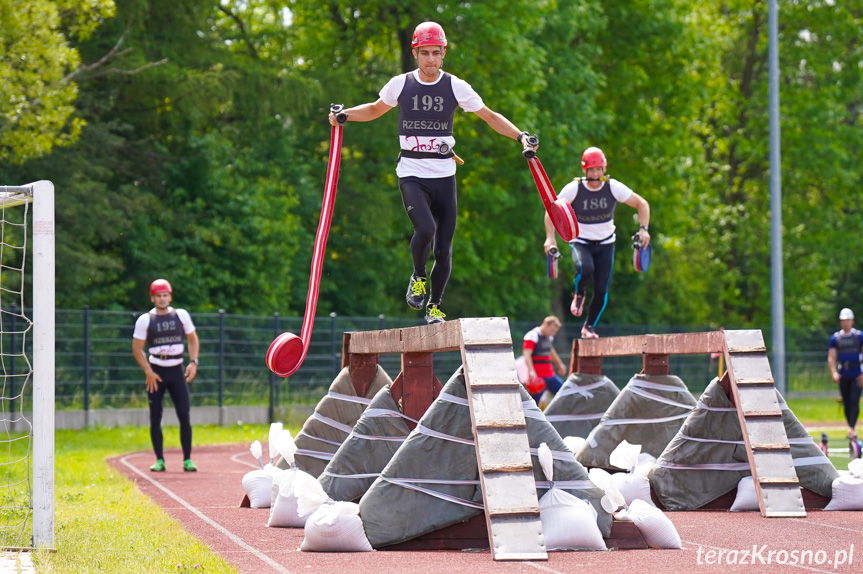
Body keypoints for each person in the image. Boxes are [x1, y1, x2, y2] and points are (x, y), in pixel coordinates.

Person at [328, 21, 536, 324]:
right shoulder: (401, 84)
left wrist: (520, 136)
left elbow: (489, 116)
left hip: (444, 175)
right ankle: (417, 276)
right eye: (424, 53)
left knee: (444, 248)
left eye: (436, 53)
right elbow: (374, 109)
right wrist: (344, 115)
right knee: (425, 229)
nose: (430, 59)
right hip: (412, 172)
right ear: (415, 53)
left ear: (444, 54)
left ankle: (435, 306)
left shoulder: (455, 86)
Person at [543, 146, 650, 339]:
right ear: (584, 170)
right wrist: (550, 238)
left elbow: (641, 204)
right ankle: (579, 293)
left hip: (606, 243)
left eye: (598, 169)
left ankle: (589, 327)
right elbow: (552, 210)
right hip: (580, 241)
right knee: (585, 268)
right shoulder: (574, 188)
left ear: (604, 169)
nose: (594, 174)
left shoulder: (613, 187)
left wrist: (644, 229)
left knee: (602, 288)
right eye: (591, 170)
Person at [132, 279, 200, 472]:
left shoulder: (181, 315)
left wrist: (194, 362)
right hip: (156, 372)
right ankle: (159, 460)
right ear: (152, 298)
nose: (162, 299)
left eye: (165, 295)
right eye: (158, 296)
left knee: (184, 414)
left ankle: (187, 459)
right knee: (155, 417)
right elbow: (137, 349)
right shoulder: (145, 320)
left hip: (177, 370)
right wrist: (148, 371)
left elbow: (193, 339)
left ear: (170, 296)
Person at [827, 307, 863, 445]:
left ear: (852, 321)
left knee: (854, 399)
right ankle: (851, 426)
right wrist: (834, 372)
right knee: (847, 401)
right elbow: (831, 357)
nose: (845, 323)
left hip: (857, 374)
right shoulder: (836, 338)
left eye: (847, 320)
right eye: (843, 320)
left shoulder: (859, 336)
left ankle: (852, 428)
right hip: (844, 374)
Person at [522, 316, 568, 405]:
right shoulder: (532, 336)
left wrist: (560, 364)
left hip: (550, 375)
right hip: (537, 378)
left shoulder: (549, 337)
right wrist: (531, 371)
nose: (553, 334)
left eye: (555, 332)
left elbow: (551, 351)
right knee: (533, 403)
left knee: (564, 394)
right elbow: (527, 355)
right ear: (546, 325)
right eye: (552, 330)